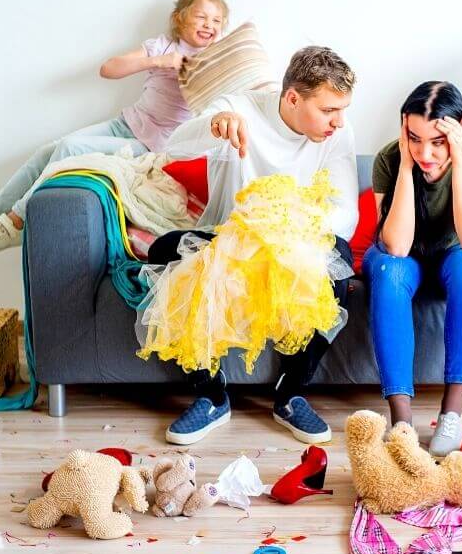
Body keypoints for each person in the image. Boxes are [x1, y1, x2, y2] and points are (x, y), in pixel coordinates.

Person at [149, 46, 359, 446]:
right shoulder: (239, 108)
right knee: (164, 253)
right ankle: (212, 397)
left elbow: (345, 210)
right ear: (293, 98)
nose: (339, 121)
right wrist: (213, 124)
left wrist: (292, 232)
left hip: (295, 242)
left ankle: (291, 392)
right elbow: (173, 146)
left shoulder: (339, 135)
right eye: (329, 110)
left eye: (343, 109)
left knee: (341, 261)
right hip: (227, 237)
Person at [0, 0, 229, 252]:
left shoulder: (213, 61)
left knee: (70, 148)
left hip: (153, 146)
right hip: (126, 125)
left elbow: (227, 94)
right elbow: (108, 69)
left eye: (217, 21)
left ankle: (16, 221)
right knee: (47, 151)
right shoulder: (163, 46)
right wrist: (159, 61)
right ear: (179, 18)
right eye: (202, 17)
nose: (209, 25)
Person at [363, 81, 462, 456]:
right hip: (408, 260)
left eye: (437, 141)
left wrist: (459, 161)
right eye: (414, 138)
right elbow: (396, 245)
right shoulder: (391, 159)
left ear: (459, 128)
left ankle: (452, 413)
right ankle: (401, 419)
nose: (424, 152)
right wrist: (407, 167)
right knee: (389, 270)